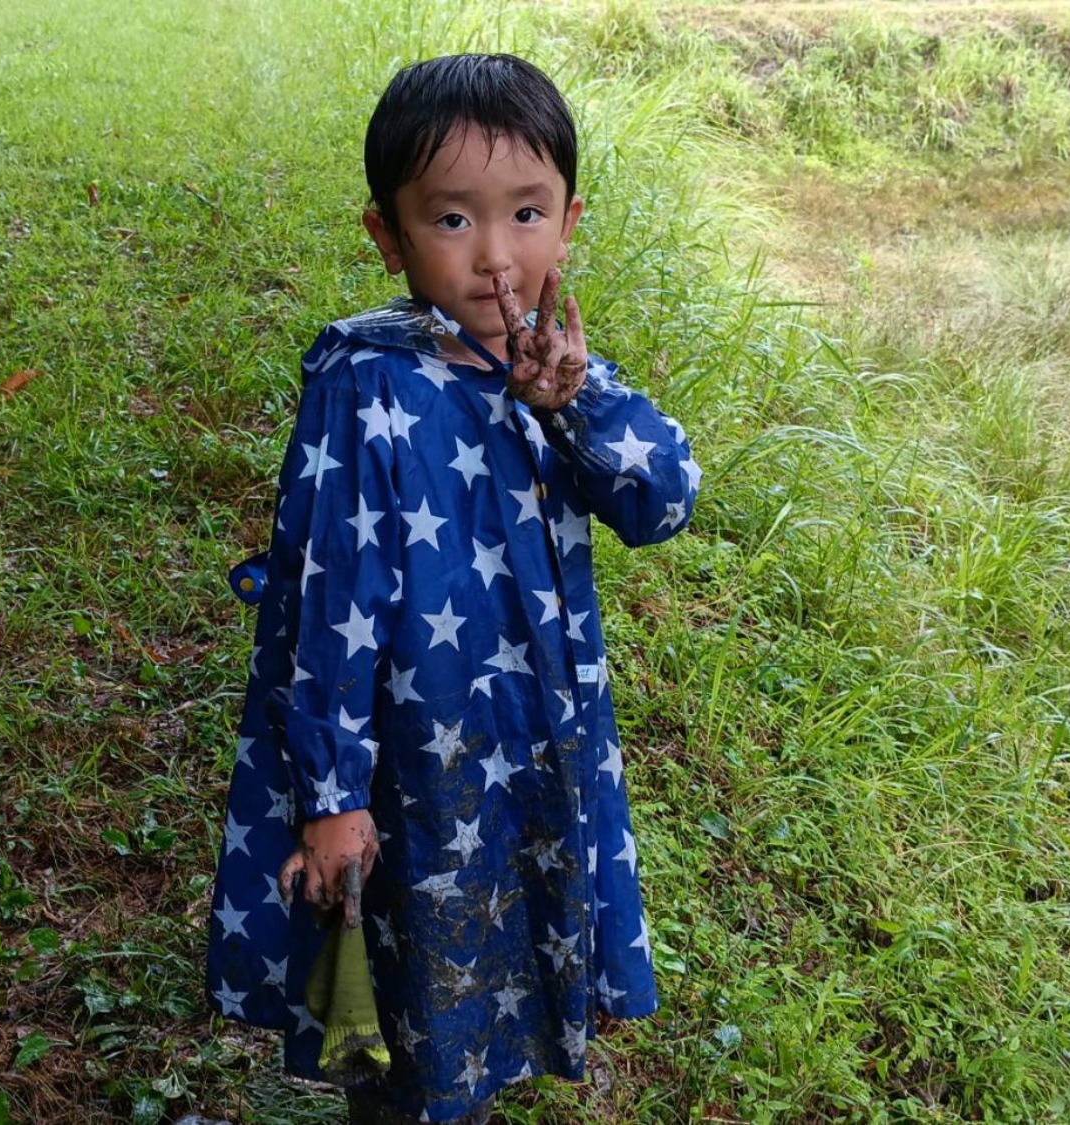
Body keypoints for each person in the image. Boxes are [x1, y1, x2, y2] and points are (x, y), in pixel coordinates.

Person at [205, 52, 699, 1124]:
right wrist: (332, 798)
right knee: (406, 1004)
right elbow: (327, 611)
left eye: (525, 213)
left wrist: (574, 411)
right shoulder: (367, 387)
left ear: (569, 221)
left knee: (499, 959)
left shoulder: (559, 373)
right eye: (450, 221)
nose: (494, 258)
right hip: (410, 767)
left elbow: (660, 505)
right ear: (387, 234)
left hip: (528, 748)